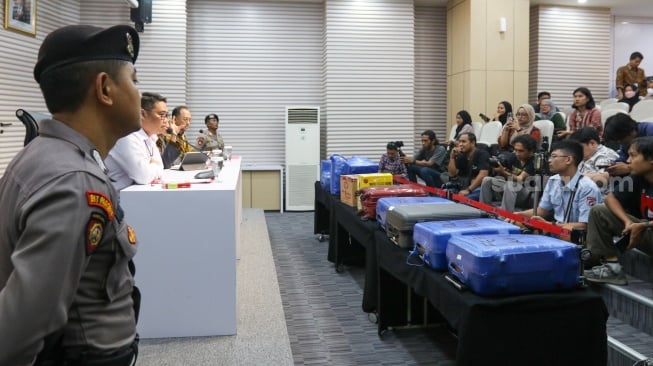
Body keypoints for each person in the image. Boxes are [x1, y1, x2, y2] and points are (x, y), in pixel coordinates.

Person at [0, 24, 141, 365]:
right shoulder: (75, 181)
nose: (140, 93)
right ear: (105, 88)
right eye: (134, 80)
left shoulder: (45, 156)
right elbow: (19, 329)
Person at [584, 136, 653, 285]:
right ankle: (612, 268)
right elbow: (610, 198)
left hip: (646, 228)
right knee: (599, 211)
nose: (628, 161)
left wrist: (645, 225)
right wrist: (627, 221)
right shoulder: (638, 177)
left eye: (633, 156)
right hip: (646, 232)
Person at [512, 140, 602, 231]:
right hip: (556, 229)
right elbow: (542, 210)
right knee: (516, 223)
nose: (549, 161)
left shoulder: (587, 188)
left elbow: (585, 225)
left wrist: (549, 225)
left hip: (576, 235)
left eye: (554, 156)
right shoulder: (553, 180)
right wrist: (518, 215)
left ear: (568, 160)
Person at [105, 92, 166, 190]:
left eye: (166, 115)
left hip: (136, 194)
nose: (165, 120)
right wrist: (154, 165)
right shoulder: (126, 135)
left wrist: (152, 166)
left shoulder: (150, 137)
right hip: (118, 198)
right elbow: (143, 176)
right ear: (143, 114)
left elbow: (161, 167)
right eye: (162, 115)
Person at [479, 135, 536, 211]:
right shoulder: (514, 156)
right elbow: (501, 164)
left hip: (527, 195)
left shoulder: (534, 161)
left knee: (510, 184)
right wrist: (495, 165)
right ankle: (484, 210)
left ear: (531, 151)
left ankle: (505, 216)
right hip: (512, 191)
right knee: (487, 180)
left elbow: (520, 179)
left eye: (521, 151)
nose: (517, 153)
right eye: (516, 150)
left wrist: (503, 171)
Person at [569, 127, 619, 195]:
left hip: (601, 199)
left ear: (592, 143)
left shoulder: (604, 155)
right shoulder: (587, 155)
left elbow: (602, 179)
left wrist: (575, 178)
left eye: (578, 148)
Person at [447, 132, 490, 200]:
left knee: (465, 200)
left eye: (464, 142)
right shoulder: (461, 155)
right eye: (459, 141)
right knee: (444, 194)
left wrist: (468, 190)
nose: (460, 144)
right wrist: (452, 157)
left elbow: (483, 174)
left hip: (476, 187)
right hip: (464, 186)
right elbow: (452, 174)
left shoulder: (482, 154)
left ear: (472, 143)